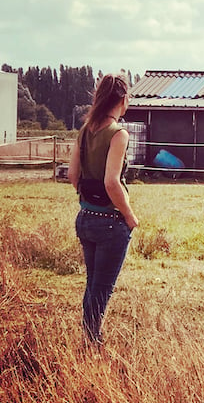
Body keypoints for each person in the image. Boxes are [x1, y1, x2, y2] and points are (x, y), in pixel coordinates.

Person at [68, 73, 139, 345]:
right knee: (102, 290)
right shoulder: (118, 134)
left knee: (93, 284)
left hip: (85, 218)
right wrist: (130, 215)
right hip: (111, 223)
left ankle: (88, 337)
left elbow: (73, 175)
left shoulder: (85, 131)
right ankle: (92, 342)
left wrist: (87, 200)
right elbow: (112, 181)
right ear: (123, 100)